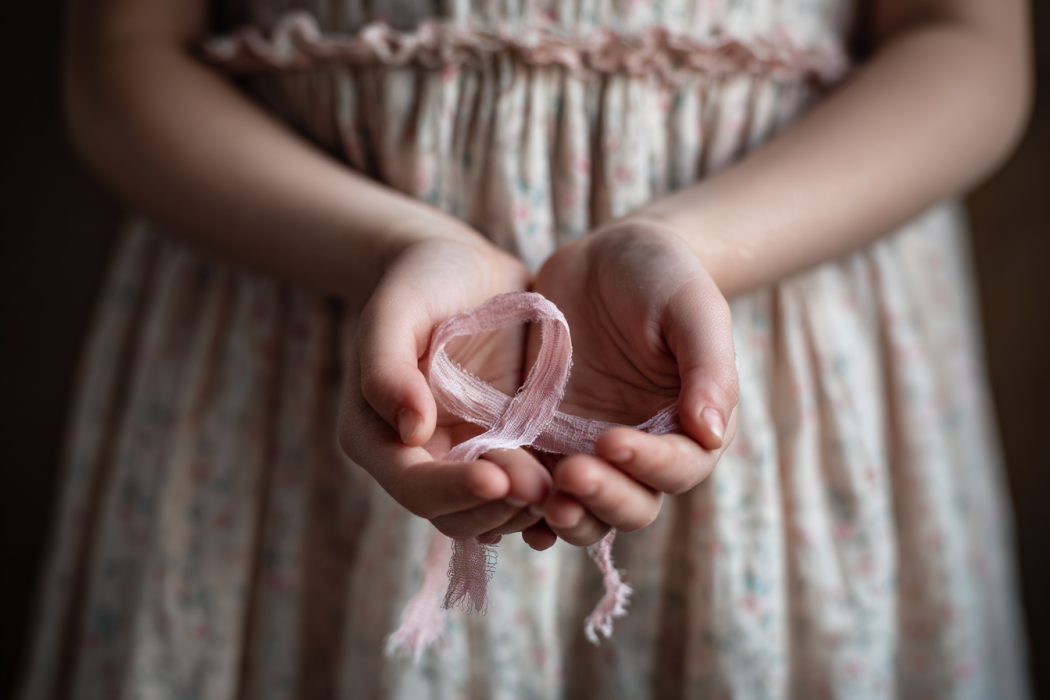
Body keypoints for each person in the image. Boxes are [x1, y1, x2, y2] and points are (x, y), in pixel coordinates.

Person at [20, 0, 1031, 697]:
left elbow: (967, 40)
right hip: (293, 324)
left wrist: (697, 249)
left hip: (774, 313)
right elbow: (123, 56)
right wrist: (391, 249)